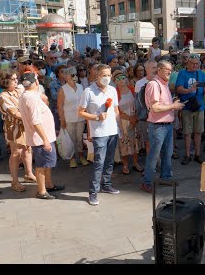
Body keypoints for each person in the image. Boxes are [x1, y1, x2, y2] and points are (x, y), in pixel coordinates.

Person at [78, 64, 123, 206]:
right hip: (99, 133)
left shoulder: (112, 90)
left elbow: (116, 110)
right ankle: (93, 192)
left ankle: (107, 184)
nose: (107, 78)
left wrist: (120, 128)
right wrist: (96, 118)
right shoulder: (88, 91)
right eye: (104, 75)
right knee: (99, 162)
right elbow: (80, 112)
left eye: (109, 75)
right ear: (97, 76)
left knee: (110, 161)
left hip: (112, 131)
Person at [140, 60, 184, 193]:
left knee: (167, 153)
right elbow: (155, 108)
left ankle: (165, 177)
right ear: (159, 70)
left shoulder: (163, 84)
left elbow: (163, 105)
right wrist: (173, 106)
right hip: (158, 126)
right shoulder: (154, 84)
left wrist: (173, 103)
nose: (169, 72)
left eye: (170, 69)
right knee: (154, 155)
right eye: (166, 69)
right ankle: (147, 182)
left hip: (167, 125)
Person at [18, 72, 64, 200]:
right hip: (41, 139)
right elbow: (36, 121)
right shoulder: (31, 98)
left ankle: (48, 185)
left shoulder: (27, 95)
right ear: (36, 83)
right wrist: (45, 140)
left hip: (43, 137)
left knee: (46, 163)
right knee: (42, 165)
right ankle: (42, 191)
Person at [0, 70, 37, 192]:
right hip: (13, 127)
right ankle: (14, 181)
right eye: (13, 79)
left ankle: (29, 174)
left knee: (28, 149)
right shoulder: (3, 96)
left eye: (16, 79)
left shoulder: (19, 91)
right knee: (16, 152)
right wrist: (32, 118)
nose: (16, 81)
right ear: (5, 81)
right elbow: (14, 112)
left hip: (25, 125)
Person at [57, 67, 88, 168]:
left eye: (74, 74)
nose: (74, 76)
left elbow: (84, 102)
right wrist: (62, 120)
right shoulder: (63, 89)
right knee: (71, 139)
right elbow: (60, 106)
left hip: (80, 117)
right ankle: (72, 159)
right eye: (71, 74)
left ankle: (81, 156)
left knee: (79, 138)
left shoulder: (80, 87)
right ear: (66, 77)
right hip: (68, 118)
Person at [113, 69, 143, 174]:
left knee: (135, 142)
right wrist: (128, 118)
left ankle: (135, 163)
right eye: (118, 78)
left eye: (123, 77)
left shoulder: (132, 89)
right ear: (115, 81)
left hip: (134, 119)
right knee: (123, 144)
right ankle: (125, 165)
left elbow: (138, 104)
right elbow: (114, 110)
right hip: (122, 121)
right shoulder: (114, 93)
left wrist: (134, 118)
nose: (121, 80)